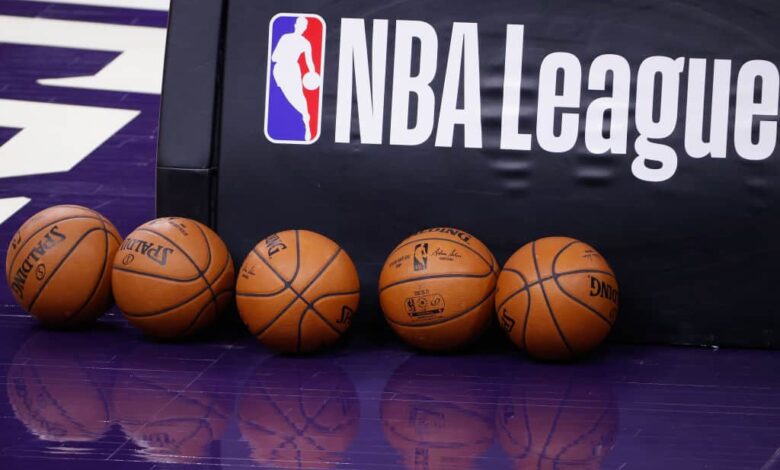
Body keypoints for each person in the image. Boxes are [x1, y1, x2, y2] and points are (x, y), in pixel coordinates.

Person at [271, 16, 317, 141]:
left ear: (305, 28)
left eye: (304, 25)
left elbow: (309, 61)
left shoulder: (305, 43)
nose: (301, 27)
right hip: (280, 70)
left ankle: (306, 121)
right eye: (300, 24)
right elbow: (274, 57)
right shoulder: (285, 38)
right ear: (296, 25)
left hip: (292, 70)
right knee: (284, 97)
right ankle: (301, 119)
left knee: (299, 97)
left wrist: (312, 73)